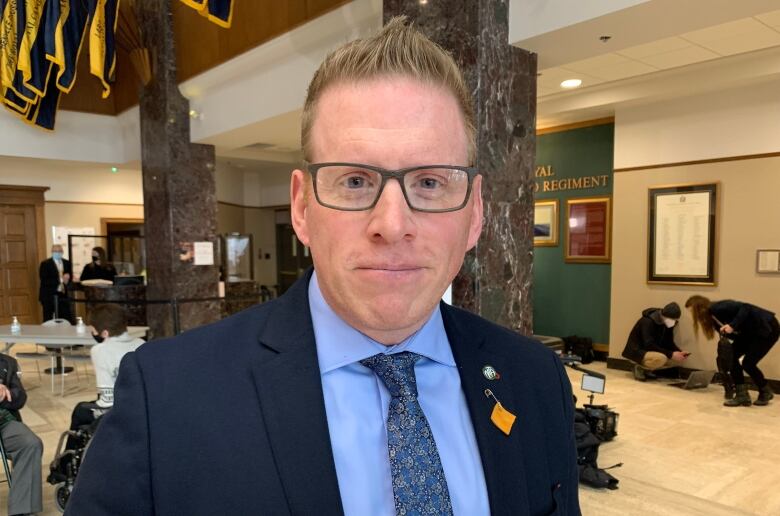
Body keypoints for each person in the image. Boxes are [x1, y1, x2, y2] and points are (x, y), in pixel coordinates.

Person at [67, 18, 579, 516]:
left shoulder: (535, 380)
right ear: (301, 207)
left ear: (475, 213)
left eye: (430, 182)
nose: (392, 223)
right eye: (355, 181)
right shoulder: (168, 398)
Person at [65, 304, 144, 450]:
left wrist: (98, 410)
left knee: (80, 411)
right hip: (142, 407)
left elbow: (107, 398)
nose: (93, 333)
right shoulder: (141, 343)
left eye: (94, 329)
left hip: (118, 410)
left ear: (105, 333)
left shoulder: (100, 350)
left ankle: (66, 465)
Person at [686, 295, 779, 407]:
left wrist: (732, 326)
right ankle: (742, 395)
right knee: (732, 357)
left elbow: (746, 307)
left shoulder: (718, 307)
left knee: (748, 363)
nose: (692, 315)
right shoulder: (713, 318)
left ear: (698, 307)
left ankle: (765, 391)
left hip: (767, 328)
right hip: (750, 332)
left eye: (692, 311)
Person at [0, 353, 44, 516]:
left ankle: (22, 510)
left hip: (3, 421)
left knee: (30, 444)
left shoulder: (6, 362)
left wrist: (4, 394)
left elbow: (20, 398)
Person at [622, 302, 687, 381]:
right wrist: (671, 354)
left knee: (676, 360)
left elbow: (668, 342)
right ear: (664, 316)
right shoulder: (647, 321)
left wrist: (679, 352)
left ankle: (647, 370)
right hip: (638, 351)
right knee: (662, 359)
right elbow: (648, 344)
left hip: (651, 350)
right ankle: (639, 368)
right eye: (672, 320)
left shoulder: (668, 323)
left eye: (675, 320)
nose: (673, 322)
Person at [38, 244, 73, 323]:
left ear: (62, 252)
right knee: (48, 318)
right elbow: (44, 280)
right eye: (55, 251)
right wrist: (61, 279)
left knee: (65, 318)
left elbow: (69, 277)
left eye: (59, 251)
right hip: (48, 295)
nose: (57, 253)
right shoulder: (45, 264)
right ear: (52, 252)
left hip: (62, 295)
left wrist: (67, 280)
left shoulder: (67, 263)